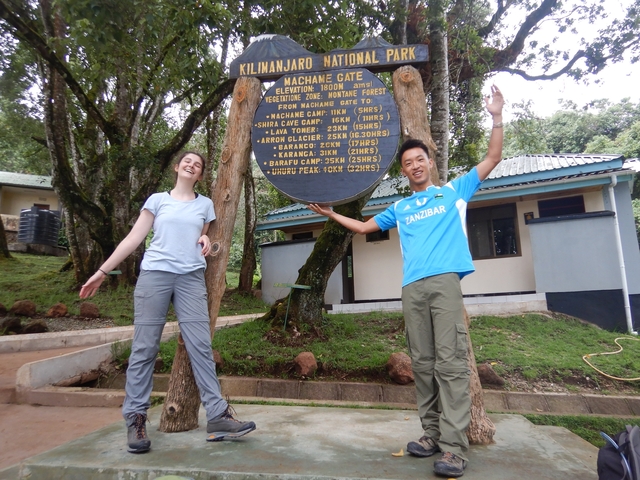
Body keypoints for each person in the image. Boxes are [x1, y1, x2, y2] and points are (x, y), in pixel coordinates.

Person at [308, 85, 504, 478]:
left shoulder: (453, 192)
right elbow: (364, 227)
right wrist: (330, 214)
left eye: (420, 159)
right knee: (424, 362)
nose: (415, 165)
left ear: (429, 163)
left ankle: (453, 448)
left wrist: (496, 116)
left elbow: (493, 157)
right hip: (412, 288)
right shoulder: (400, 206)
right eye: (408, 162)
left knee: (450, 364)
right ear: (403, 171)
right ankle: (430, 434)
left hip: (445, 284)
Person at [80, 151, 256, 454]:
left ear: (200, 175)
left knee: (200, 346)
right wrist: (101, 271)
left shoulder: (204, 205)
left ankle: (217, 416)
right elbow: (134, 238)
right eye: (187, 161)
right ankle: (136, 421)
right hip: (154, 276)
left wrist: (204, 239)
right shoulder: (157, 200)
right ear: (177, 167)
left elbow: (203, 235)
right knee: (145, 348)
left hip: (189, 279)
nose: (191, 165)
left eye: (197, 165)